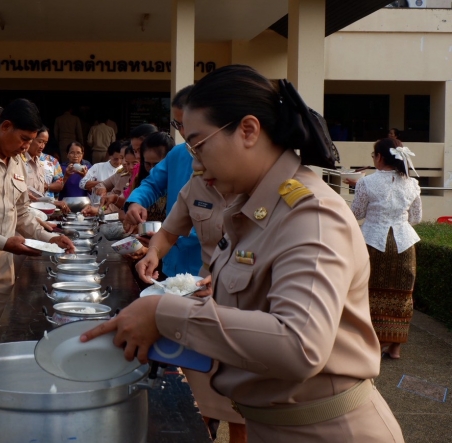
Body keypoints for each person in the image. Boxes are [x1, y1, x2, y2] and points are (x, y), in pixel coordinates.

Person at [83, 65, 404, 443]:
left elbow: (300, 345)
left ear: (248, 130)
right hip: (272, 424)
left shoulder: (310, 215)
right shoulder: (252, 208)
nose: (196, 164)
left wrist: (164, 314)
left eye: (200, 145)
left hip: (327, 430)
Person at [136, 168, 246, 442]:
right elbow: (168, 233)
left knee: (242, 412)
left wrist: (225, 278)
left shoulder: (258, 184)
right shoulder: (196, 185)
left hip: (246, 304)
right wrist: (153, 253)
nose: (199, 160)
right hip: (201, 299)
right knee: (200, 399)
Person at [0, 99, 74, 348]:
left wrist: (49, 238)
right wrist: (5, 242)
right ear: (6, 126)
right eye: (24, 139)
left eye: (31, 141)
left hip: (2, 264)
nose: (27, 147)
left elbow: (21, 212)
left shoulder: (18, 159)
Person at [350, 138, 422, 360]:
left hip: (373, 242)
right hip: (404, 244)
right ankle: (394, 347)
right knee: (403, 294)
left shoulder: (366, 182)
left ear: (380, 157)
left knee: (370, 292)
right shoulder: (412, 184)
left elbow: (356, 214)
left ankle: (371, 343)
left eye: (374, 156)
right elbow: (416, 218)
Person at [124, 93, 203, 276]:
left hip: (204, 266)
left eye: (187, 124)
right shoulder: (178, 154)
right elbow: (152, 183)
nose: (183, 132)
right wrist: (136, 202)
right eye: (178, 125)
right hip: (172, 261)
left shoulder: (225, 162)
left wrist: (169, 236)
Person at [24, 125, 70, 214]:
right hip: (24, 213)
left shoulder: (40, 164)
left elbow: (39, 195)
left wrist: (53, 202)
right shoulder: (18, 161)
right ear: (31, 139)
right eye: (40, 141)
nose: (42, 146)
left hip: (39, 213)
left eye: (45, 143)